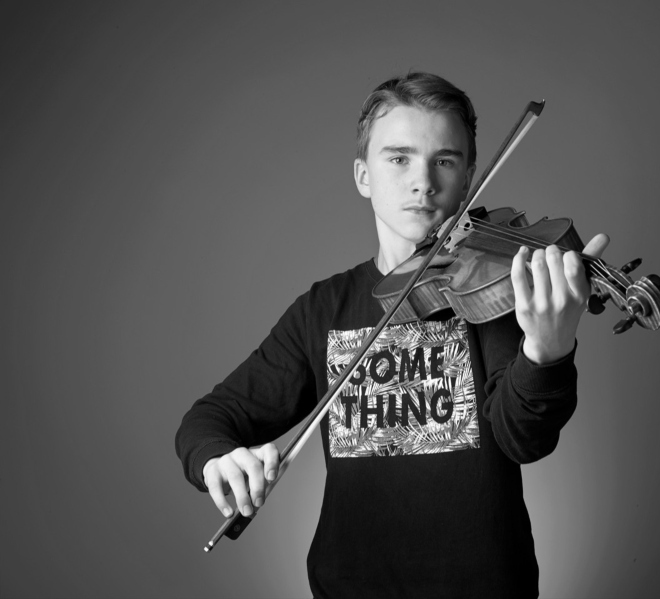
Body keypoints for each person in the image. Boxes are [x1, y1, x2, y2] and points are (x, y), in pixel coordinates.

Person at [176, 72, 608, 598]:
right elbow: (208, 420)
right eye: (399, 158)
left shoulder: (494, 292)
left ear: (469, 178)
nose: (422, 181)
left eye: (444, 161)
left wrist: (546, 350)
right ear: (363, 175)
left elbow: (523, 438)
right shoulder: (323, 309)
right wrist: (218, 458)